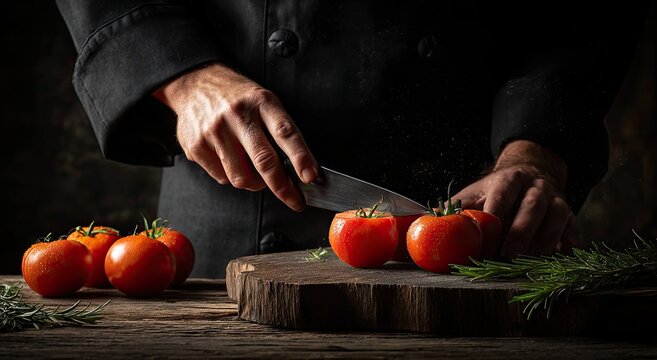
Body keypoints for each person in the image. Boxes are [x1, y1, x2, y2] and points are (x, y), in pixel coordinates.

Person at [56, 0, 645, 278]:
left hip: (480, 223)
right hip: (237, 201)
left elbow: (589, 14)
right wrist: (180, 75)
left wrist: (536, 147)